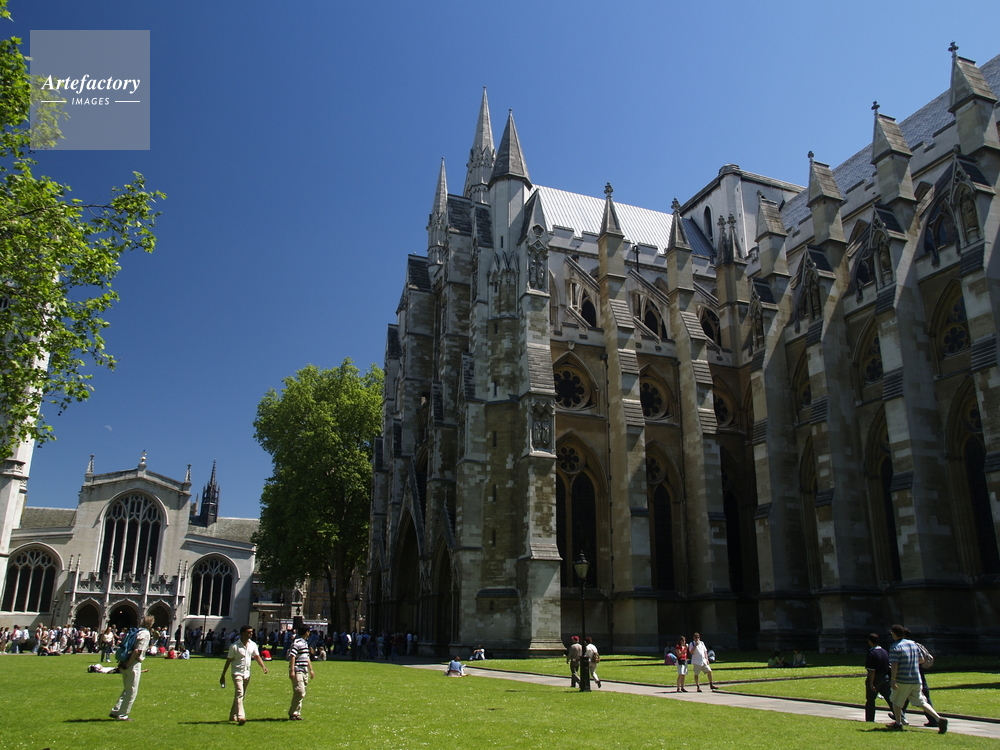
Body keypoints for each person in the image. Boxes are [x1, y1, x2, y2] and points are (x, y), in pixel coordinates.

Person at [886, 624, 947, 734]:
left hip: (903, 679)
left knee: (895, 700)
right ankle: (939, 719)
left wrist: (893, 679)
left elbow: (894, 664)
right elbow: (922, 659)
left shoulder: (895, 647)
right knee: (921, 701)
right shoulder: (913, 644)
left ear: (893, 633)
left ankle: (898, 723)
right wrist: (911, 662)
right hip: (916, 679)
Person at [220, 625, 268, 725]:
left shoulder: (253, 645)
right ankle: (241, 716)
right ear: (243, 633)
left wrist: (263, 666)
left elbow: (257, 656)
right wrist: (223, 674)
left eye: (251, 632)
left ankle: (233, 715)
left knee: (241, 695)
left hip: (247, 673)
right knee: (239, 693)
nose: (251, 634)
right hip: (237, 672)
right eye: (249, 632)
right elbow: (228, 661)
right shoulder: (234, 646)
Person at [109, 615, 154, 721]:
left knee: (127, 689)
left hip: (124, 660)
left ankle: (116, 710)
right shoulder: (145, 633)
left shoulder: (136, 631)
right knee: (132, 690)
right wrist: (128, 664)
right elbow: (137, 650)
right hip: (133, 663)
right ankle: (123, 715)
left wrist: (123, 663)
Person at [287, 625, 315, 720]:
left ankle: (296, 713)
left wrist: (311, 670)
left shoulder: (305, 643)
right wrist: (292, 670)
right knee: (300, 691)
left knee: (302, 692)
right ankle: (293, 713)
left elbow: (307, 657)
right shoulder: (297, 643)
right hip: (297, 670)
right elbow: (292, 656)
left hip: (304, 670)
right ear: (306, 632)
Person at [864, 633, 892, 722]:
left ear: (870, 641)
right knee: (890, 699)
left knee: (870, 700)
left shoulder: (871, 652)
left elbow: (872, 670)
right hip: (886, 677)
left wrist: (871, 683)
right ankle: (900, 716)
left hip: (876, 678)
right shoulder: (884, 651)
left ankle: (870, 719)